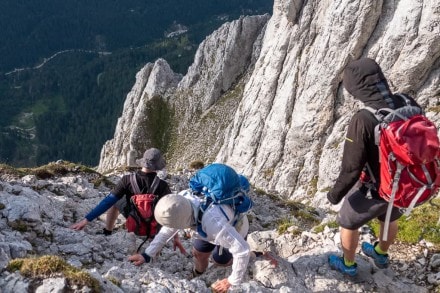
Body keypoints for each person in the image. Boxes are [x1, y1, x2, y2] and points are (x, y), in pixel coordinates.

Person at [326, 58, 421, 276]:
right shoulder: (407, 101)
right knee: (390, 217)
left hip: (377, 187)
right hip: (404, 181)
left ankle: (348, 265)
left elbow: (351, 168)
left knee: (348, 222)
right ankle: (380, 252)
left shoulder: (364, 119)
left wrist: (335, 195)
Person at [128, 191, 251, 293]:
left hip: (235, 229)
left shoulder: (214, 223)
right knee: (198, 253)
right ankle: (199, 274)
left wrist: (232, 281)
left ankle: (255, 255)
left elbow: (242, 250)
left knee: (220, 261)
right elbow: (167, 230)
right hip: (204, 228)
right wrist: (147, 255)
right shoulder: (181, 202)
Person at [70, 148, 171, 235]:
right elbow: (171, 210)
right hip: (153, 226)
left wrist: (86, 220)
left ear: (143, 163)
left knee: (115, 201)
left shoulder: (127, 180)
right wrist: (174, 236)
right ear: (157, 166)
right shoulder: (162, 185)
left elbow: (107, 202)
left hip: (134, 219)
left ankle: (108, 231)